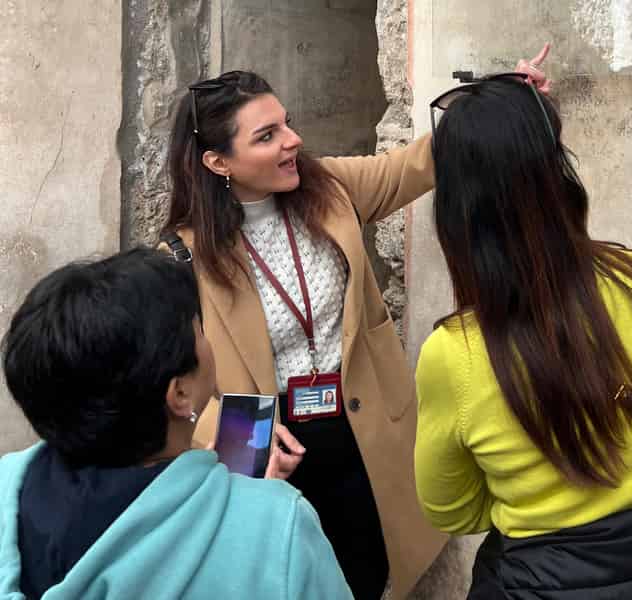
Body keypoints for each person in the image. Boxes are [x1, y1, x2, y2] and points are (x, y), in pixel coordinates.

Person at [158, 45, 551, 599]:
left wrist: (503, 96)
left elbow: (416, 163)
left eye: (286, 123)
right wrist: (239, 440)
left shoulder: (330, 188)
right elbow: (171, 385)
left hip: (362, 433)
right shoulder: (182, 256)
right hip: (267, 451)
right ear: (218, 163)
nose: (293, 141)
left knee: (364, 576)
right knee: (280, 582)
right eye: (267, 136)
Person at [414, 75, 632, 598]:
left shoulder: (454, 353)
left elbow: (452, 510)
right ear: (562, 176)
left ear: (455, 211)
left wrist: (541, 498)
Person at [0, 248, 351, 599]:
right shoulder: (281, 527)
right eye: (200, 330)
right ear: (180, 393)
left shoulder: (7, 488)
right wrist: (252, 515)